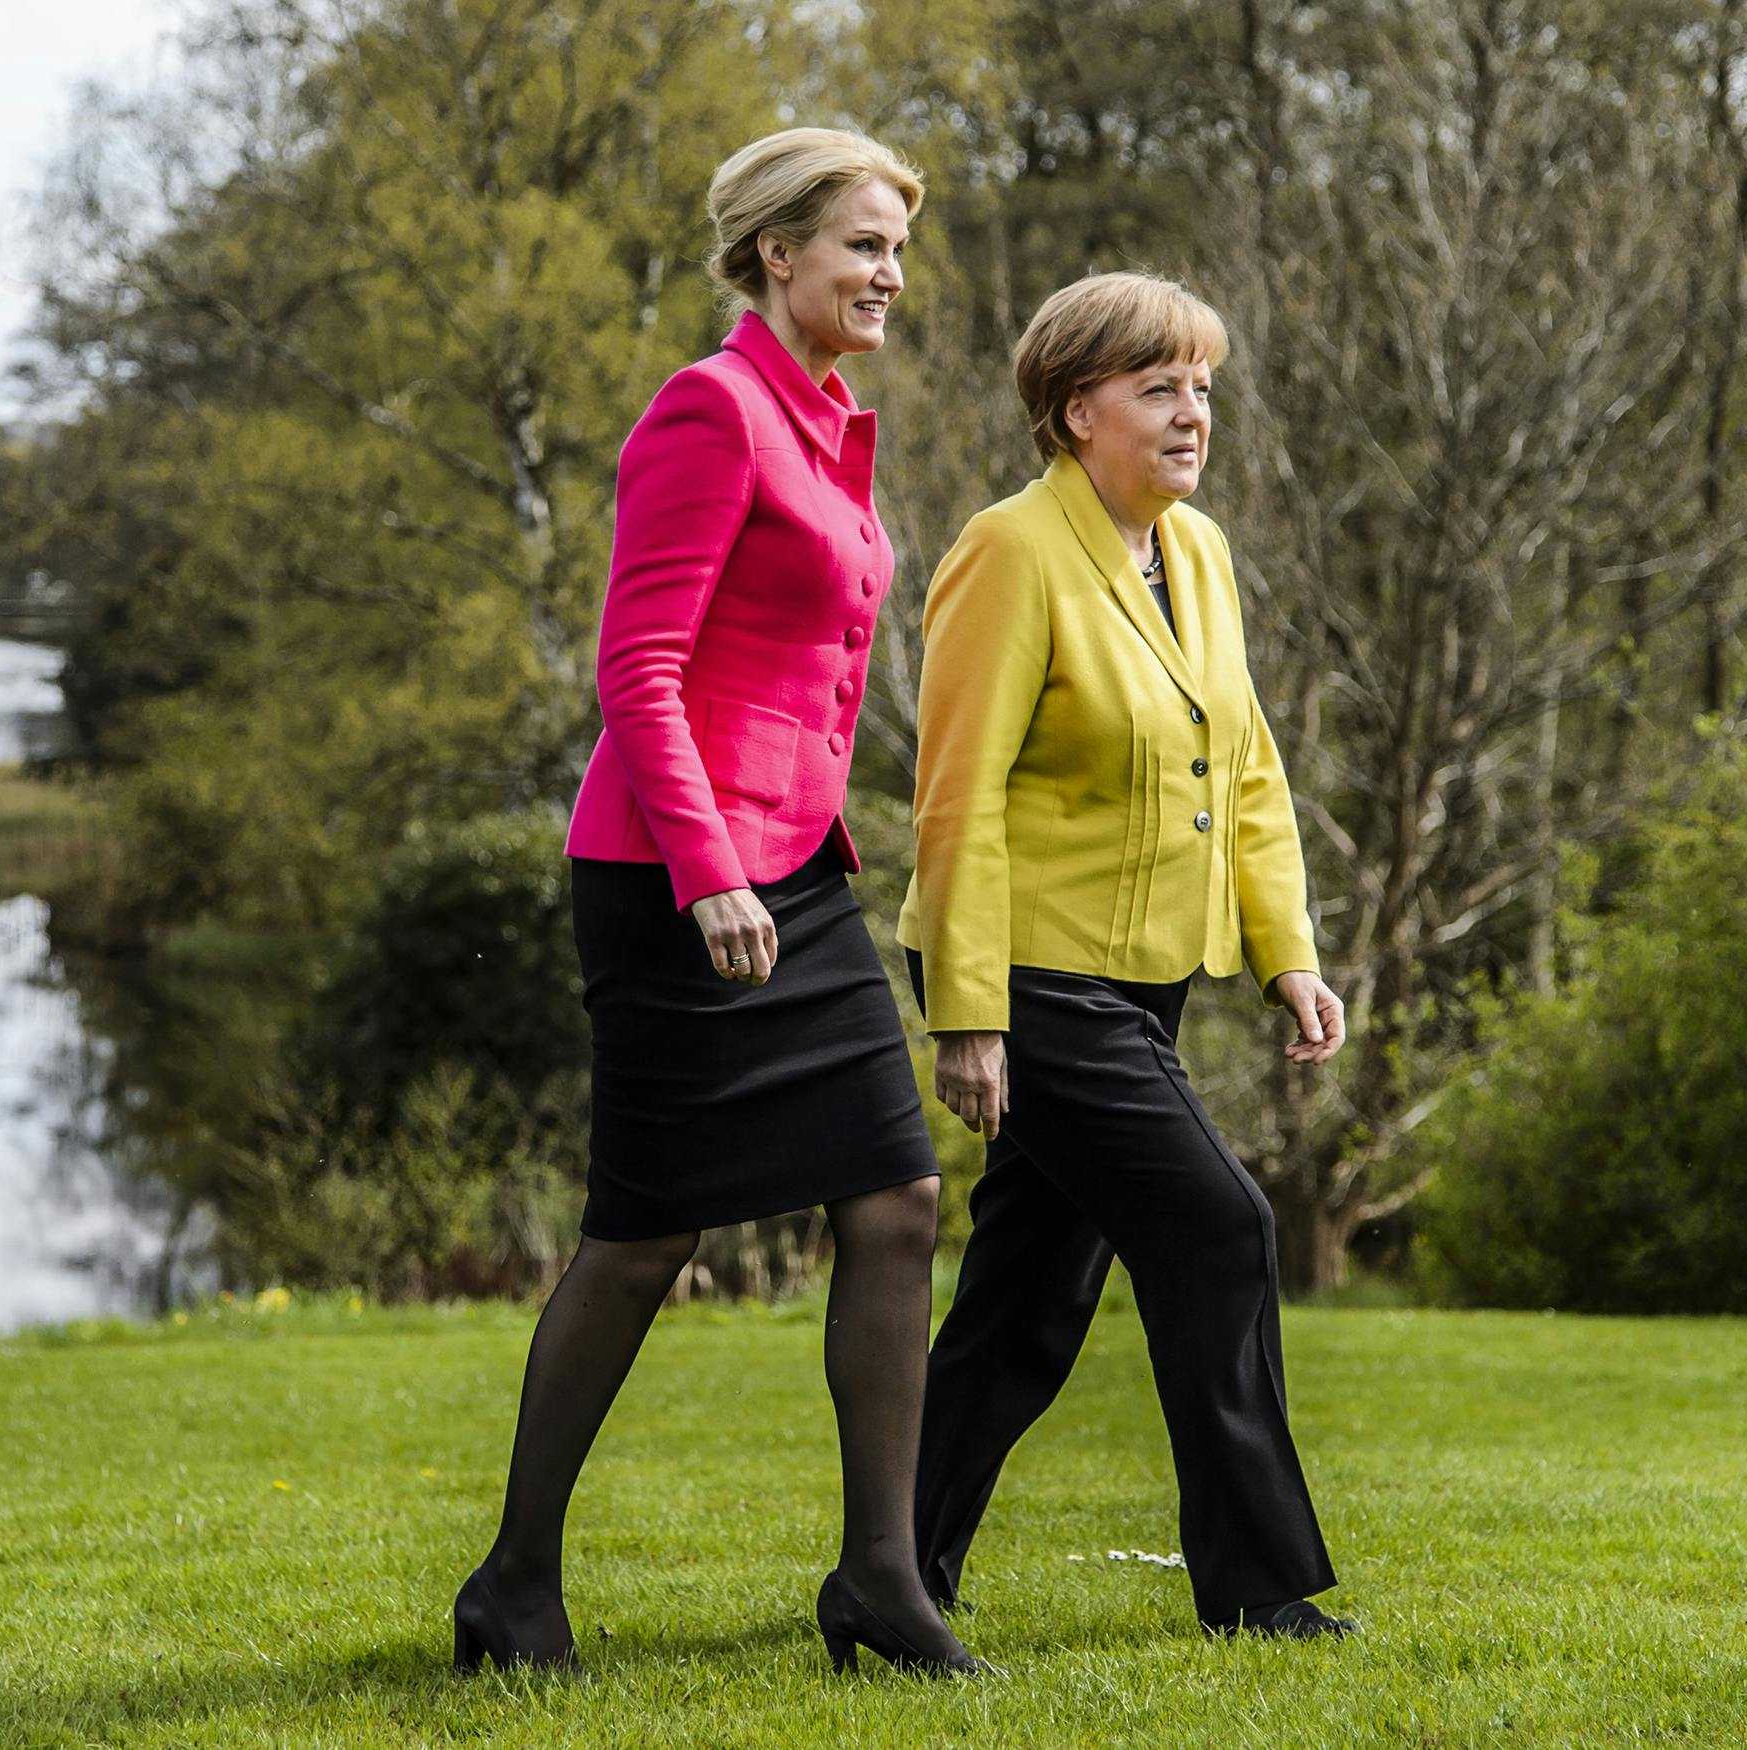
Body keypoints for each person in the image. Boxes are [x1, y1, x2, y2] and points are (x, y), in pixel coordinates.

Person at [452, 127, 984, 1679]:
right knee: (645, 1231)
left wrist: (796, 848)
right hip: (673, 877)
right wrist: (709, 874)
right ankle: (514, 1582)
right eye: (863, 245)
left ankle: (881, 1582)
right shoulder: (712, 409)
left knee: (896, 1201)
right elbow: (640, 669)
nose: (890, 272)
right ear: (777, 255)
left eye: (897, 246)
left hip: (796, 875)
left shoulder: (823, 424)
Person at [897, 270, 1355, 1640]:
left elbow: (1251, 765)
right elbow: (956, 795)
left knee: (1028, 1302)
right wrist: (971, 1015)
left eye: (1201, 386)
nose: (1191, 412)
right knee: (1222, 1227)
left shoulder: (1197, 552)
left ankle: (891, 1570)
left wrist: (1291, 953)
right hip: (1032, 977)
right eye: (1160, 387)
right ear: (1074, 405)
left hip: (1135, 980)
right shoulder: (1009, 551)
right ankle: (1260, 1588)